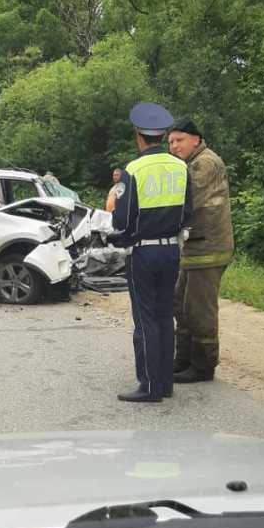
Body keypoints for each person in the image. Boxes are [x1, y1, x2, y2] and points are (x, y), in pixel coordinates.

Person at [111, 102, 192, 403]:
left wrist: (121, 235)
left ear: (138, 136)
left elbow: (123, 220)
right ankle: (166, 383)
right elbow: (188, 211)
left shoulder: (133, 170)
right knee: (163, 316)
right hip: (171, 252)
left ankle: (149, 385)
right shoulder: (181, 166)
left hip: (142, 254)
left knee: (145, 320)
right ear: (163, 135)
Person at [167, 119, 234, 382]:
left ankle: (203, 366)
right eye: (171, 142)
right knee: (180, 304)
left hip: (209, 248)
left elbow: (186, 198)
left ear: (196, 139)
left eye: (179, 140)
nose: (173, 146)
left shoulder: (205, 162)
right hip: (195, 248)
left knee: (199, 309)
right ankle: (183, 359)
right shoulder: (189, 163)